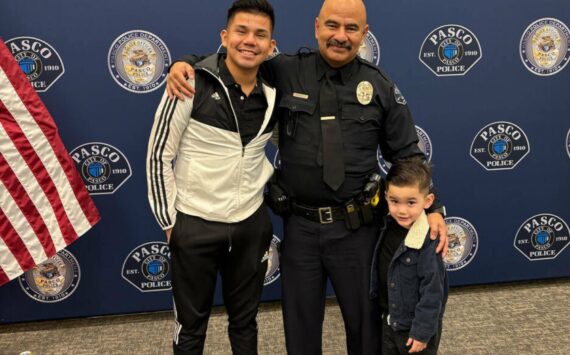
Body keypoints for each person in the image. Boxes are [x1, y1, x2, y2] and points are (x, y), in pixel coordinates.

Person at [166, 1, 448, 353]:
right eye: (332, 25)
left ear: (364, 33)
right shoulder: (284, 70)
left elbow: (408, 154)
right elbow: (236, 59)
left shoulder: (379, 87)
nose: (340, 36)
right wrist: (186, 63)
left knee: (365, 330)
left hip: (357, 231)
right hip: (300, 229)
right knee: (299, 332)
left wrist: (435, 208)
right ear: (317, 26)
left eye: (351, 28)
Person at [145, 1, 277, 354]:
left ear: (271, 46)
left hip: (250, 226)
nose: (250, 41)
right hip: (194, 225)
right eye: (241, 31)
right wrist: (171, 222)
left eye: (260, 34)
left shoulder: (274, 94)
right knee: (190, 329)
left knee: (246, 324)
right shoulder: (191, 82)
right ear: (225, 36)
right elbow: (159, 155)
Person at [370, 157, 448, 354]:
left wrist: (422, 332)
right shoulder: (386, 226)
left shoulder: (428, 240)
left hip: (414, 329)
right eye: (394, 201)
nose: (402, 210)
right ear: (386, 197)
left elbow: (433, 293)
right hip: (389, 322)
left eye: (411, 202)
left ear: (428, 201)